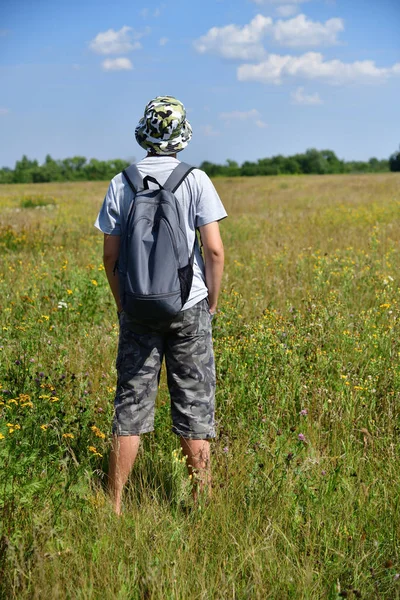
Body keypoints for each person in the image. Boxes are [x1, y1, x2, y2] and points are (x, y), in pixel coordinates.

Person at [94, 96, 227, 515]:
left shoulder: (122, 182)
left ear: (144, 132)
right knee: (193, 404)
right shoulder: (197, 180)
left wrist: (124, 305)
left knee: (130, 404)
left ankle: (114, 504)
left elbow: (109, 258)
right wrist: (211, 305)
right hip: (189, 305)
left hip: (137, 307)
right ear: (182, 134)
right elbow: (215, 251)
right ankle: (201, 504)